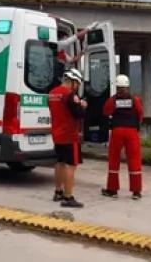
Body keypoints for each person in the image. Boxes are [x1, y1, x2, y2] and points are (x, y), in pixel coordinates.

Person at [48, 69, 88, 208]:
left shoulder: (52, 93)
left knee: (59, 163)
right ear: (72, 81)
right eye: (77, 83)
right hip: (70, 135)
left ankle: (58, 192)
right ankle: (68, 196)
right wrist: (83, 106)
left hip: (57, 134)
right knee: (71, 166)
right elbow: (79, 114)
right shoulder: (70, 95)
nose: (77, 87)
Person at [101, 74, 144, 200]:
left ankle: (112, 190)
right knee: (134, 159)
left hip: (117, 130)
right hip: (132, 132)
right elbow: (140, 114)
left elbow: (106, 111)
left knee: (114, 159)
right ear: (127, 86)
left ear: (117, 86)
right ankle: (136, 191)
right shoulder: (135, 99)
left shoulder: (113, 100)